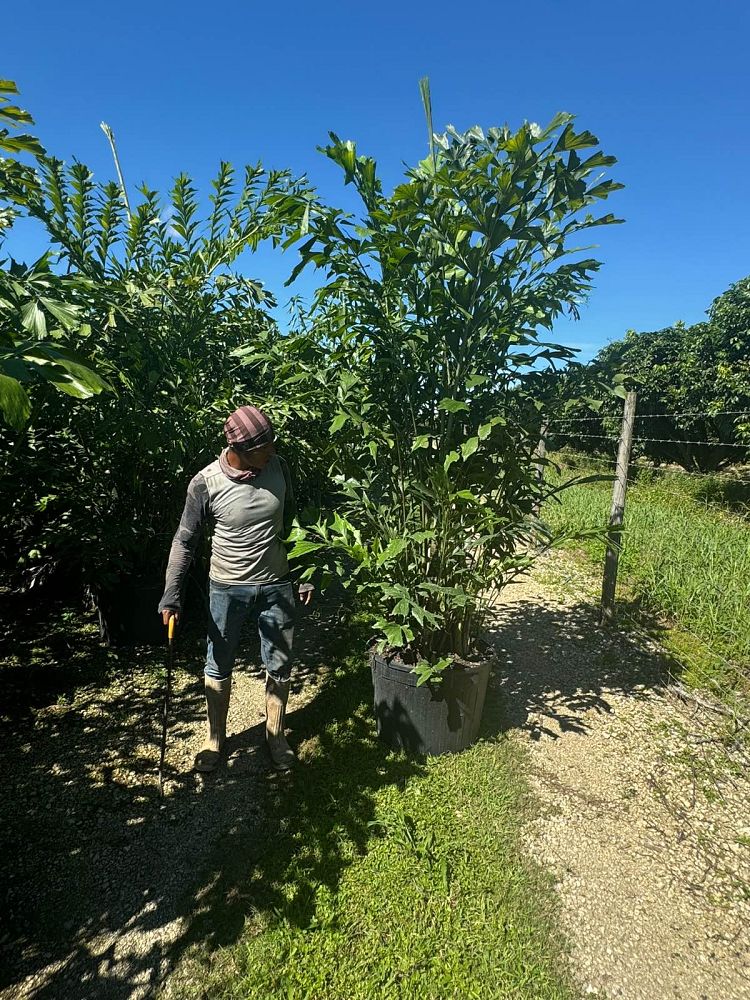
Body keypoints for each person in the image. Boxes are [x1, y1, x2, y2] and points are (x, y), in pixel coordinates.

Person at [158, 404, 313, 773]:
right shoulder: (206, 482)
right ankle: (215, 737)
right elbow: (184, 541)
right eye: (265, 447)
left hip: (277, 585)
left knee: (280, 662)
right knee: (219, 662)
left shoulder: (279, 468)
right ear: (241, 450)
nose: (272, 451)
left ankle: (275, 736)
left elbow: (294, 522)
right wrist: (172, 593)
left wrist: (305, 572)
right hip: (227, 588)